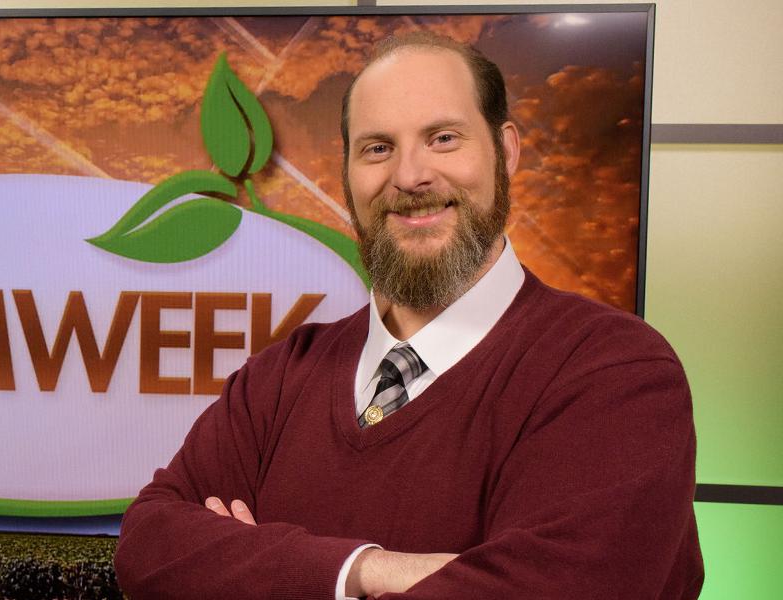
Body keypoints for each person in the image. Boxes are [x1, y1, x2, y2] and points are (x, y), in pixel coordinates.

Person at [113, 32, 702, 599]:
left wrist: (249, 571)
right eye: (378, 147)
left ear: (506, 151)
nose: (410, 176)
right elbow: (148, 547)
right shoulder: (281, 376)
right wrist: (367, 571)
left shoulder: (615, 374)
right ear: (346, 173)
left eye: (443, 138)